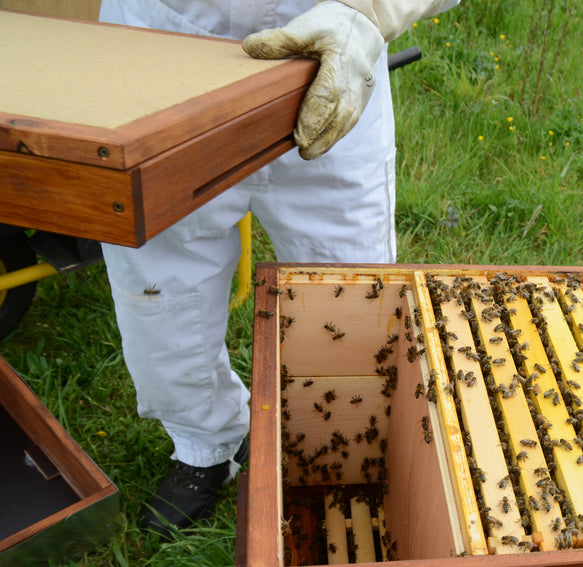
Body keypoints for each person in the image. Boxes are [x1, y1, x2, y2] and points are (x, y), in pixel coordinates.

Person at [98, 0, 458, 537]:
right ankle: (204, 446)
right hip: (163, 55)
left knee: (351, 304)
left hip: (331, 68)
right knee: (160, 295)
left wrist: (368, 13)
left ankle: (335, 455)